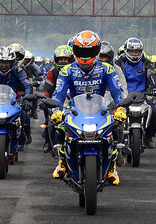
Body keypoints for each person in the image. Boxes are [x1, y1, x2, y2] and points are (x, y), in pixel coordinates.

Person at [51, 30, 127, 185]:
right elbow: (58, 94)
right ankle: (62, 161)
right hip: (74, 109)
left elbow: (118, 93)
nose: (85, 56)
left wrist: (121, 108)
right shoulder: (67, 71)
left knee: (117, 125)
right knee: (57, 125)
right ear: (74, 50)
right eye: (81, 51)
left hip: (101, 109)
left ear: (97, 50)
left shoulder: (107, 69)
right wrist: (57, 110)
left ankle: (112, 167)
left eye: (89, 51)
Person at [114, 38, 156, 148]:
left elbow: (152, 75)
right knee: (114, 115)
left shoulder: (146, 62)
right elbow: (114, 77)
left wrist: (155, 87)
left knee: (154, 112)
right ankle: (115, 140)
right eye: (132, 52)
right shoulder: (119, 62)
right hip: (123, 96)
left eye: (137, 52)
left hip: (142, 95)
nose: (134, 54)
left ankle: (148, 137)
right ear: (127, 51)